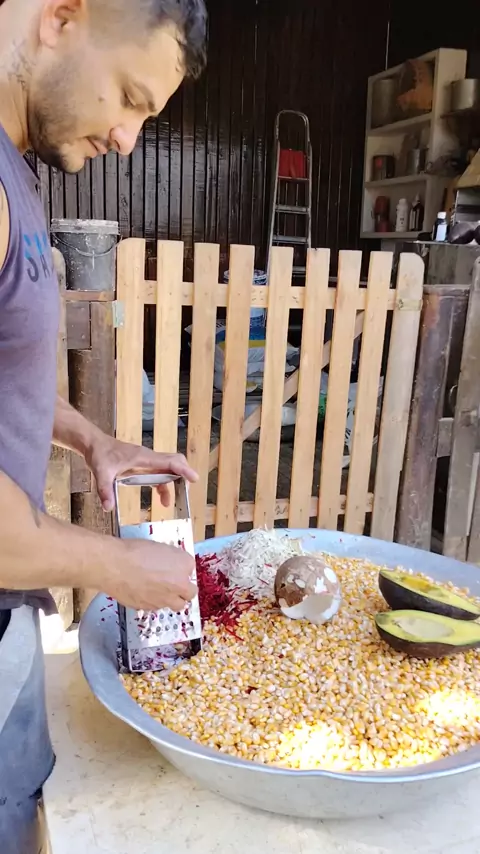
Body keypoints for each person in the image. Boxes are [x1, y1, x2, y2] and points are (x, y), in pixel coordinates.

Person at [0, 0, 208, 850]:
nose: (127, 139)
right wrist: (121, 567)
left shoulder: (17, 170)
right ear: (62, 16)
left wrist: (94, 439)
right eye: (129, 97)